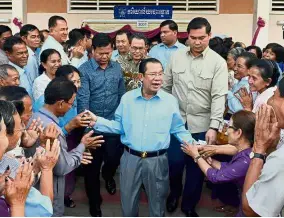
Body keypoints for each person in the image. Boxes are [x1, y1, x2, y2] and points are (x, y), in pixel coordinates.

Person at [86, 58, 196, 217]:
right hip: (130, 159)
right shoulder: (127, 99)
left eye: (160, 74)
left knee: (157, 205)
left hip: (158, 161)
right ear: (140, 77)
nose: (157, 78)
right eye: (152, 74)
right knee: (128, 205)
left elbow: (178, 128)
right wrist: (97, 121)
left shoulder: (170, 101)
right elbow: (119, 127)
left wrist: (194, 144)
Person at [163, 17, 228, 216]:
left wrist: (214, 126)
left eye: (202, 38)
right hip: (177, 123)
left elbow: (219, 96)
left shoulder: (218, 63)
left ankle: (189, 205)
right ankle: (174, 193)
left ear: (210, 36)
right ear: (187, 36)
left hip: (202, 125)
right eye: (193, 38)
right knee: (173, 163)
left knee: (196, 170)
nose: (197, 42)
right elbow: (165, 87)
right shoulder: (176, 57)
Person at [31, 77, 104, 216]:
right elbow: (62, 167)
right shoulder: (53, 131)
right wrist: (83, 145)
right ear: (60, 103)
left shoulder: (35, 118)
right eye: (71, 103)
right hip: (49, 196)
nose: (72, 106)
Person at [77, 33, 125, 217]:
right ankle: (95, 203)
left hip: (113, 124)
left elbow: (121, 95)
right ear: (93, 50)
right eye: (101, 53)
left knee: (113, 158)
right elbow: (83, 101)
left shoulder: (116, 68)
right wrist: (88, 129)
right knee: (91, 168)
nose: (105, 57)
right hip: (93, 126)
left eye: (108, 53)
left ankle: (108, 175)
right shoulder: (84, 70)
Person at [182, 110, 255, 216]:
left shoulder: (246, 160)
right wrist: (209, 160)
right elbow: (228, 168)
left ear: (238, 133)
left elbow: (216, 177)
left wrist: (196, 156)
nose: (225, 131)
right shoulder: (246, 152)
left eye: (229, 127)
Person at [242, 71, 284, 217]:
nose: (269, 102)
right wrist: (272, 146)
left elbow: (251, 209)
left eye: (274, 96)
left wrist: (259, 150)